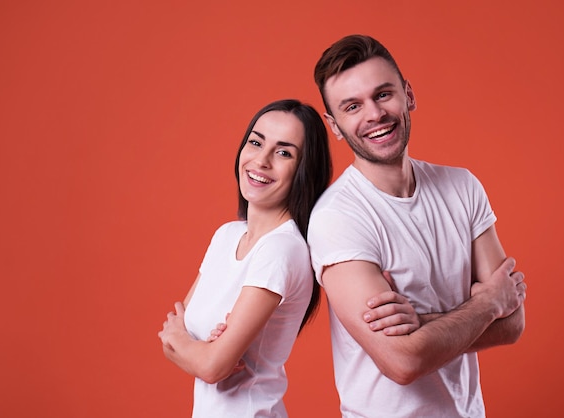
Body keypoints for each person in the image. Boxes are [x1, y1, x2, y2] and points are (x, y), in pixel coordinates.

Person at [307, 34, 527, 417]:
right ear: (335, 126)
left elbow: (513, 323)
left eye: (383, 94)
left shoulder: (463, 187)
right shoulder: (337, 218)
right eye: (352, 106)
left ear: (408, 95)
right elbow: (402, 362)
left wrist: (422, 324)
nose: (374, 114)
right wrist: (488, 302)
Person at [158, 99, 413, 417]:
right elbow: (177, 341)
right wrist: (192, 345)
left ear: (304, 170)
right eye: (255, 142)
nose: (261, 161)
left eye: (283, 153)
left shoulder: (282, 249)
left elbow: (209, 365)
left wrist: (188, 344)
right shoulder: (226, 236)